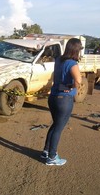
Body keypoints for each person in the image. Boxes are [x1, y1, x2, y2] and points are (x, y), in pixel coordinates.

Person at [41, 38, 83, 166]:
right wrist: (70, 87)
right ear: (76, 50)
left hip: (53, 97)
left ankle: (46, 151)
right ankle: (52, 157)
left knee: (55, 125)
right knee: (58, 128)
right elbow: (79, 81)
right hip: (64, 100)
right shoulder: (72, 64)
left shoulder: (59, 59)